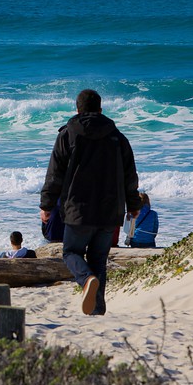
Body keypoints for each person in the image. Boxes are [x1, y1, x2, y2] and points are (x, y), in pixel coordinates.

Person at [39, 89, 141, 315]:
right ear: (101, 110)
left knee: (71, 253)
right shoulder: (118, 137)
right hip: (109, 211)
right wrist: (134, 206)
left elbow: (55, 174)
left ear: (77, 109)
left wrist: (46, 205)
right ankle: (97, 311)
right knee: (98, 259)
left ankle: (86, 280)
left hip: (78, 210)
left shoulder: (67, 135)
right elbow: (130, 176)